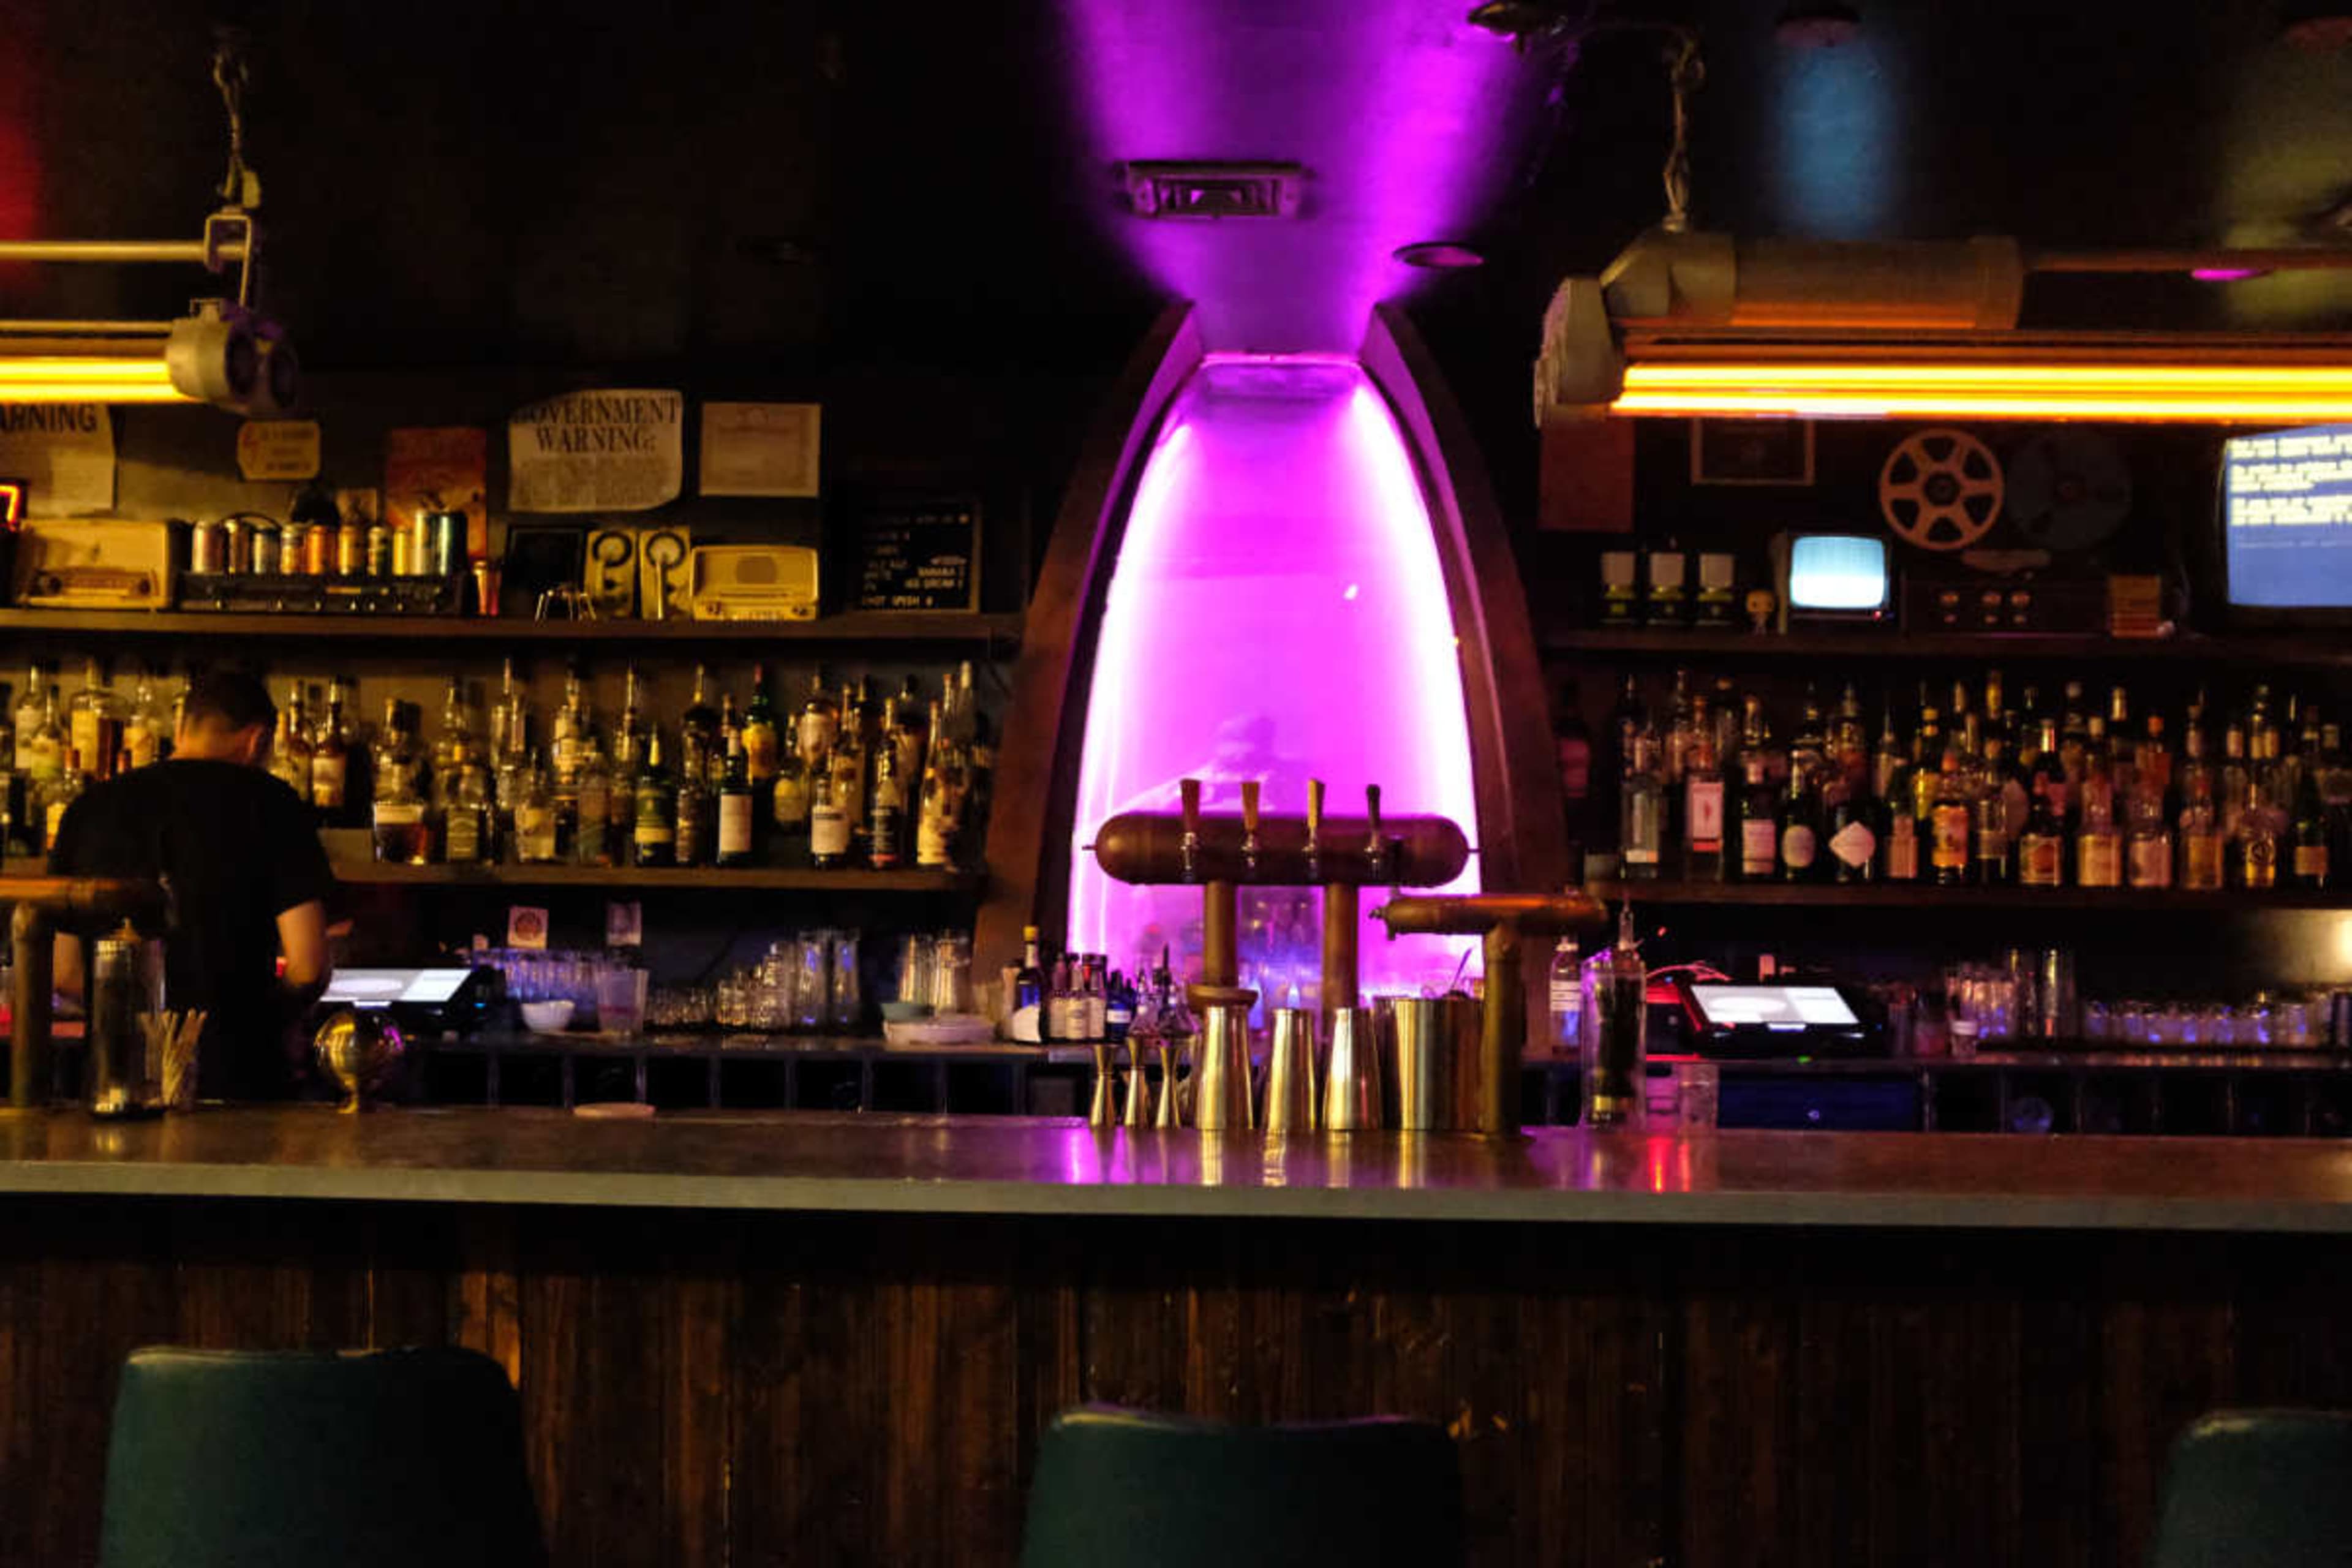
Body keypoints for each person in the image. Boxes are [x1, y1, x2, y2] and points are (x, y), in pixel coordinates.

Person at [48, 669, 334, 1100]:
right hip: (240, 1078)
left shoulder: (87, 808)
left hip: (116, 1082)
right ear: (258, 741)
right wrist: (264, 1017)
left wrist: (137, 1016)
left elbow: (65, 974)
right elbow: (308, 967)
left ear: (181, 727)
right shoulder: (273, 803)